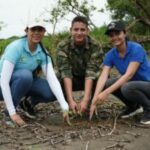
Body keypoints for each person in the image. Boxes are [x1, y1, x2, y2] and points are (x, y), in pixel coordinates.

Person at [0, 20, 69, 126]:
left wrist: (64, 105)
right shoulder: (16, 48)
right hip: (4, 85)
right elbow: (4, 81)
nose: (37, 32)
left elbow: (52, 78)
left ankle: (26, 104)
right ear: (26, 31)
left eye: (40, 30)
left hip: (23, 83)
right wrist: (12, 112)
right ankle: (9, 113)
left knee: (51, 92)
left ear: (44, 32)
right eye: (33, 29)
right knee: (25, 75)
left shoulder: (43, 52)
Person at [90, 21, 150, 125]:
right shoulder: (111, 54)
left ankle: (148, 108)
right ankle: (133, 107)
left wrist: (106, 93)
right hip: (134, 85)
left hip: (147, 84)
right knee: (108, 83)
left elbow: (129, 75)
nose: (114, 37)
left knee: (126, 87)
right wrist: (94, 100)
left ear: (124, 33)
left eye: (117, 34)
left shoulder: (136, 49)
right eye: (111, 35)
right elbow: (103, 76)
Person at [56, 16, 103, 114]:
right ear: (70, 30)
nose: (79, 33)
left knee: (102, 75)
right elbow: (66, 72)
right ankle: (67, 104)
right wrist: (70, 100)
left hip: (88, 78)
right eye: (76, 29)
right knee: (56, 75)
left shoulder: (95, 45)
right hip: (72, 79)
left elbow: (91, 72)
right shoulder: (62, 46)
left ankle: (91, 104)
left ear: (88, 31)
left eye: (82, 30)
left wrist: (85, 100)